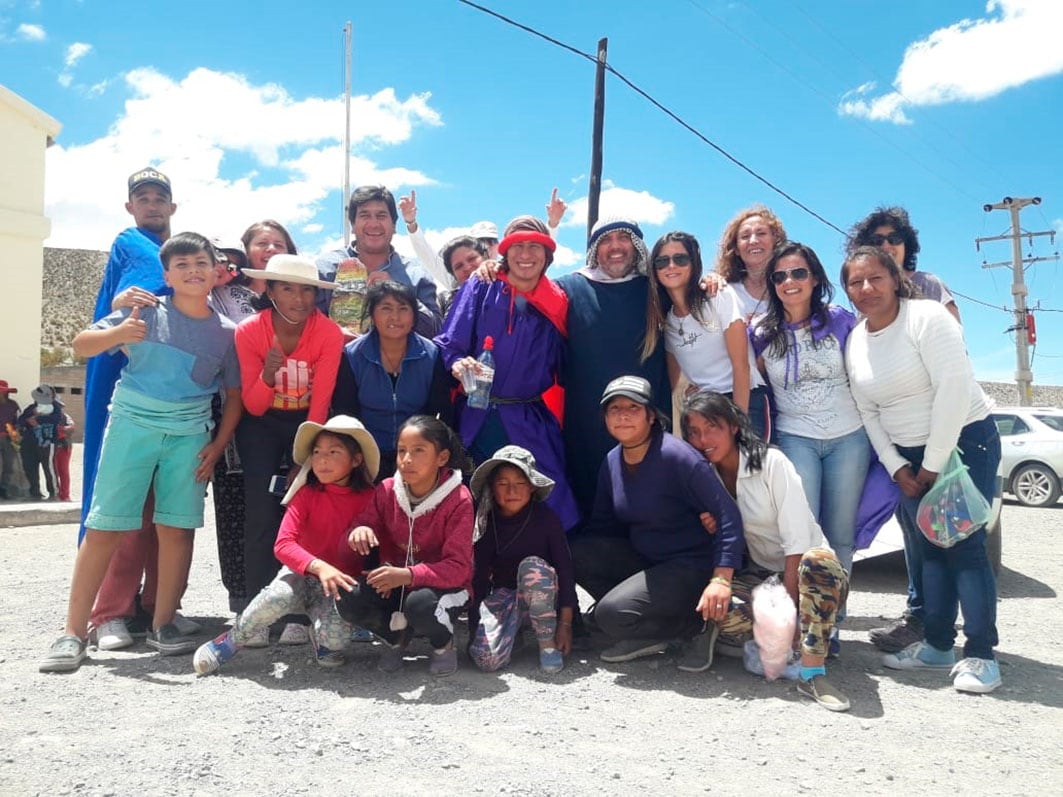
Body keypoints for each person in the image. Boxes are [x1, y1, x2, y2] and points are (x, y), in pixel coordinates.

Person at [40, 232, 243, 673]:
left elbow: (234, 395)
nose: (193, 270)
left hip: (190, 434)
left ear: (216, 271)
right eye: (182, 264)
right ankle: (73, 632)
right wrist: (119, 330)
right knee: (105, 525)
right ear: (166, 274)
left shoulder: (228, 334)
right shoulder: (143, 311)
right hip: (132, 424)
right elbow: (80, 345)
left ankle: (164, 622)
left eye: (201, 263)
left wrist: (217, 445)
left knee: (178, 527)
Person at [844, 245, 1002, 693]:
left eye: (875, 278)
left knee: (964, 547)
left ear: (895, 278)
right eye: (855, 282)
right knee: (928, 549)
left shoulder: (927, 318)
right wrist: (897, 468)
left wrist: (932, 465)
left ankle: (981, 655)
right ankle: (936, 644)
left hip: (963, 443)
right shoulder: (857, 339)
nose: (866, 288)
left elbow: (954, 389)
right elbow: (867, 410)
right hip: (907, 458)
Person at [681, 391, 851, 712]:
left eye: (712, 427)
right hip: (762, 576)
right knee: (718, 606)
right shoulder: (706, 475)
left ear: (733, 425)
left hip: (807, 573)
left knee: (818, 562)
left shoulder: (773, 463)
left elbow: (797, 544)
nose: (703, 439)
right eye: (694, 432)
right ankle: (763, 641)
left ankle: (812, 671)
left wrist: (789, 616)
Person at [81, 167, 187, 653]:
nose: (150, 204)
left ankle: (156, 609)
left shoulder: (174, 251)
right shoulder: (135, 243)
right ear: (129, 206)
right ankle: (110, 612)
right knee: (125, 508)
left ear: (172, 205)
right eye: (141, 197)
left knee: (167, 511)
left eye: (158, 197)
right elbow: (164, 291)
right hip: (131, 392)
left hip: (175, 399)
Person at [570, 376, 744, 666]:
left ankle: (692, 626)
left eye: (633, 408)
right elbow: (602, 529)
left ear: (651, 416)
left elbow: (728, 516)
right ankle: (637, 615)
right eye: (615, 409)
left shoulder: (677, 456)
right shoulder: (612, 461)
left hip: (691, 566)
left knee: (610, 616)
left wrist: (721, 579)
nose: (623, 415)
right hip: (649, 562)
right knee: (575, 552)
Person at [193, 416, 379, 674]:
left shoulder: (371, 498)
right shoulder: (305, 494)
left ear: (356, 459)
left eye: (334, 452)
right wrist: (319, 566)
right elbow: (283, 545)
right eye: (317, 452)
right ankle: (230, 641)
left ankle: (322, 639)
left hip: (338, 586)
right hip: (301, 575)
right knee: (276, 596)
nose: (322, 459)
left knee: (334, 644)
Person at [436, 215, 579, 531]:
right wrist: (457, 363)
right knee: (472, 496)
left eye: (535, 247)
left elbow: (569, 363)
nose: (526, 254)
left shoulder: (558, 301)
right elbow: (450, 342)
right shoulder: (482, 284)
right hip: (477, 413)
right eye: (518, 246)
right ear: (505, 252)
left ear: (547, 255)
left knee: (549, 498)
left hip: (529, 417)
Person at [234, 254, 343, 646]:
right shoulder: (250, 331)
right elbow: (254, 406)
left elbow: (321, 401)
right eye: (288, 288)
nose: (299, 298)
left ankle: (300, 612)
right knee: (261, 515)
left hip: (308, 424)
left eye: (307, 290)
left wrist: (307, 458)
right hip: (261, 426)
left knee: (306, 511)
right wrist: (268, 374)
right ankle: (254, 612)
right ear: (270, 290)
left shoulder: (328, 334)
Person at [750, 242, 870, 578]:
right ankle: (805, 620)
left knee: (841, 536)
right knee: (802, 533)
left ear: (815, 277)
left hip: (849, 439)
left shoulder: (841, 321)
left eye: (799, 273)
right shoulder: (760, 332)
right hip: (795, 439)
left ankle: (832, 623)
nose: (790, 281)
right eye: (780, 276)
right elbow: (754, 382)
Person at [338, 415, 474, 677]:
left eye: (419, 450)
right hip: (395, 582)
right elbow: (360, 527)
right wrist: (359, 531)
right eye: (402, 451)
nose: (406, 460)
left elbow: (458, 568)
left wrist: (408, 575)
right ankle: (396, 636)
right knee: (349, 597)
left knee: (420, 604)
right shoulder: (387, 490)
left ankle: (443, 644)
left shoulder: (459, 498)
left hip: (443, 586)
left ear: (442, 458)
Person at [557, 218, 672, 521]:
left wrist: (712, 282)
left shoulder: (656, 290)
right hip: (586, 419)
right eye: (607, 239)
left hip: (646, 415)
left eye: (624, 238)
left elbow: (696, 300)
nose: (616, 246)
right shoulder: (570, 288)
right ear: (596, 249)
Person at [467, 445, 577, 674]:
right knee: (486, 660)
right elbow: (478, 578)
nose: (512, 490)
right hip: (508, 598)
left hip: (547, 598)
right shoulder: (486, 523)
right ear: (492, 488)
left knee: (532, 568)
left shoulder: (547, 519)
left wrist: (566, 624)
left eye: (520, 483)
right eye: (503, 483)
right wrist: (474, 628)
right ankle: (514, 634)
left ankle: (547, 645)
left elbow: (565, 570)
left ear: (532, 487)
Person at [332, 280, 454, 478]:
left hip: (415, 455)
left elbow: (440, 411)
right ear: (372, 314)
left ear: (414, 315)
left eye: (403, 308)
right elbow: (345, 411)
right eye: (386, 308)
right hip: (365, 454)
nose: (395, 317)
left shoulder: (431, 354)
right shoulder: (352, 355)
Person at [642, 231, 756, 415]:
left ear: (693, 263)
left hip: (746, 400)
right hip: (705, 409)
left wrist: (739, 424)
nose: (671, 266)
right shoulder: (668, 322)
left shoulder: (718, 296)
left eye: (680, 259)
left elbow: (741, 366)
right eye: (662, 262)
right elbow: (673, 383)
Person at [207, 236, 260, 614]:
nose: (228, 268)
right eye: (220, 260)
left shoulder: (255, 301)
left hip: (266, 411)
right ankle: (241, 596)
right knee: (230, 503)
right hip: (221, 409)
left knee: (269, 505)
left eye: (233, 262)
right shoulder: (203, 297)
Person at [315, 184, 442, 339]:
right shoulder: (325, 268)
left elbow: (436, 331)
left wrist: (398, 294)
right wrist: (332, 333)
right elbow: (303, 321)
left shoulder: (416, 275)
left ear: (394, 226)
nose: (374, 224)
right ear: (353, 226)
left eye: (381, 216)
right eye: (364, 215)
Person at [712, 205, 789, 441]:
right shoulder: (724, 291)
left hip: (790, 403)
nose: (753, 240)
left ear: (775, 239)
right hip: (746, 398)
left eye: (761, 233)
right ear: (735, 248)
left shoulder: (790, 288)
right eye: (745, 236)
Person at [847, 206, 961, 323]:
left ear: (906, 244)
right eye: (877, 240)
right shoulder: (867, 293)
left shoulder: (928, 284)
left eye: (894, 238)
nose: (886, 246)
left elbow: (954, 334)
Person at [17, 385, 63, 501]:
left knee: (49, 468)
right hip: (29, 443)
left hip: (47, 442)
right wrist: (29, 419)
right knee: (30, 467)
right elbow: (21, 420)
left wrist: (37, 420)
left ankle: (53, 493)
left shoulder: (55, 408)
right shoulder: (31, 408)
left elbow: (56, 419)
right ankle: (35, 493)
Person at [437, 236, 488, 318]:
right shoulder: (447, 304)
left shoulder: (508, 287)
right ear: (454, 275)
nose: (467, 267)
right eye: (459, 266)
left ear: (485, 257)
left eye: (472, 259)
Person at [0, 380, 22, 500]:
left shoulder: (13, 405)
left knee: (9, 466)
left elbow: (18, 420)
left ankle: (4, 489)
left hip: (9, 439)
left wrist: (16, 431)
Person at [52, 404, 75, 502]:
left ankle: (65, 495)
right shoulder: (45, 417)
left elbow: (72, 427)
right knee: (53, 472)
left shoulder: (65, 416)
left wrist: (61, 430)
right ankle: (55, 493)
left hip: (64, 447)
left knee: (64, 471)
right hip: (51, 448)